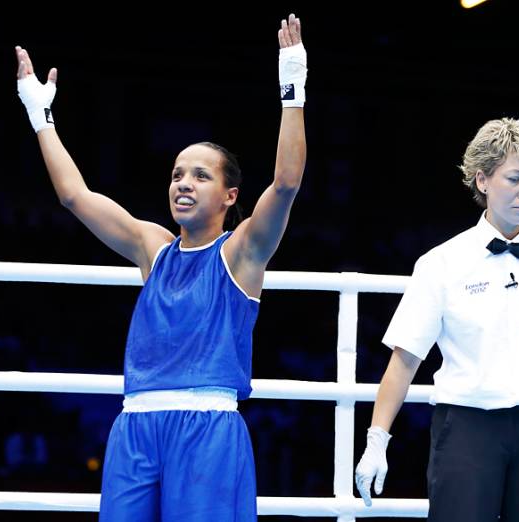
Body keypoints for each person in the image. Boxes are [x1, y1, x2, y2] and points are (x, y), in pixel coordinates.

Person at [15, 13, 308, 521]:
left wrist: (292, 87)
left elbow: (284, 184)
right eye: (177, 174)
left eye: (199, 174)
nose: (183, 183)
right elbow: (73, 196)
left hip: (207, 427)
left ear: (229, 195)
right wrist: (41, 117)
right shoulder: (152, 247)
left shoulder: (242, 253)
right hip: (135, 425)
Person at [354, 118, 519, 521]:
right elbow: (405, 358)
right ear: (482, 180)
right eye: (515, 179)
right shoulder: (441, 262)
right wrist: (376, 440)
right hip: (465, 425)